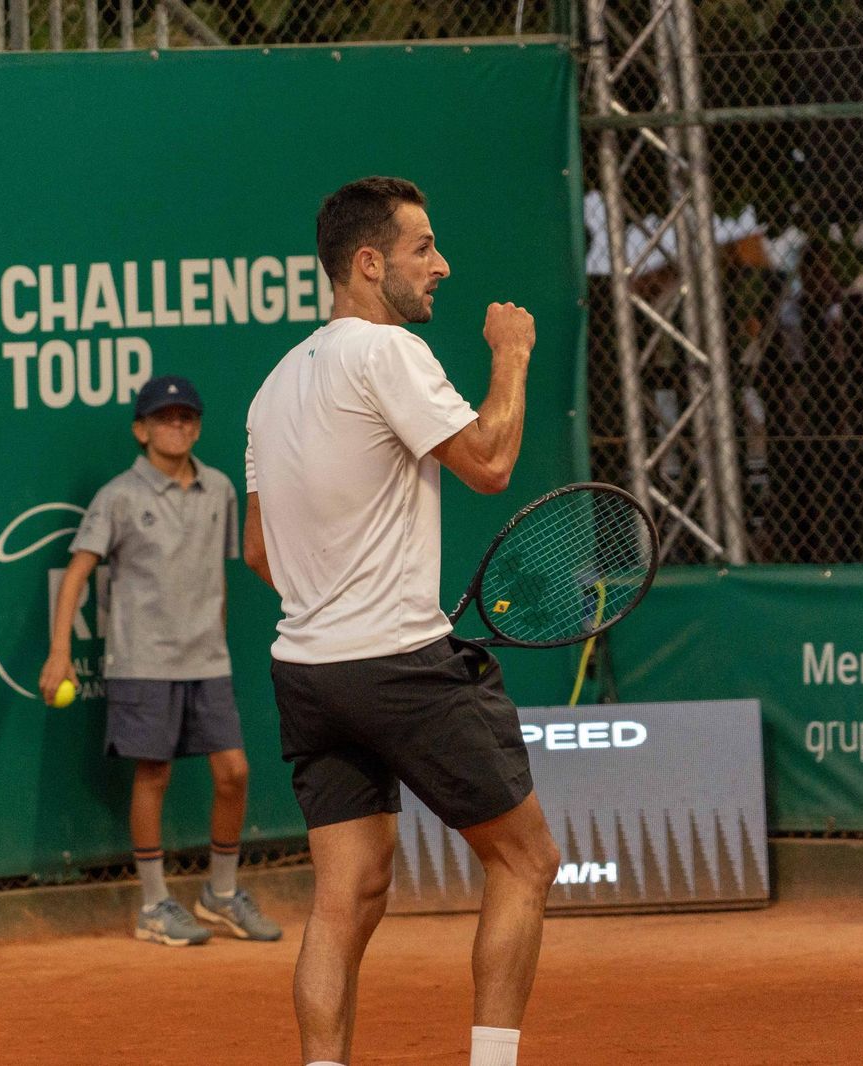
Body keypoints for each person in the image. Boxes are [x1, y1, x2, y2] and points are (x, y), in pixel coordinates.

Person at [243, 177, 559, 1066]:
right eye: (423, 248)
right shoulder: (388, 353)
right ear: (369, 263)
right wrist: (512, 355)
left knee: (344, 896)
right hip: (400, 665)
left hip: (307, 674)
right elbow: (489, 463)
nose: (441, 265)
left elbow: (260, 551)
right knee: (525, 862)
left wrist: (340, 594)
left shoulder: (272, 389)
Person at [39, 374, 282, 947]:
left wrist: (217, 643)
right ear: (140, 430)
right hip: (143, 662)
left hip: (207, 660)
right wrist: (60, 652)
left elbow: (218, 576)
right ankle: (153, 905)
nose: (177, 425)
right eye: (164, 418)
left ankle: (221, 894)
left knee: (235, 772)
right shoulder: (118, 496)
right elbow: (76, 574)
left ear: (197, 428)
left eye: (186, 417)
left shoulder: (220, 489)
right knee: (154, 774)